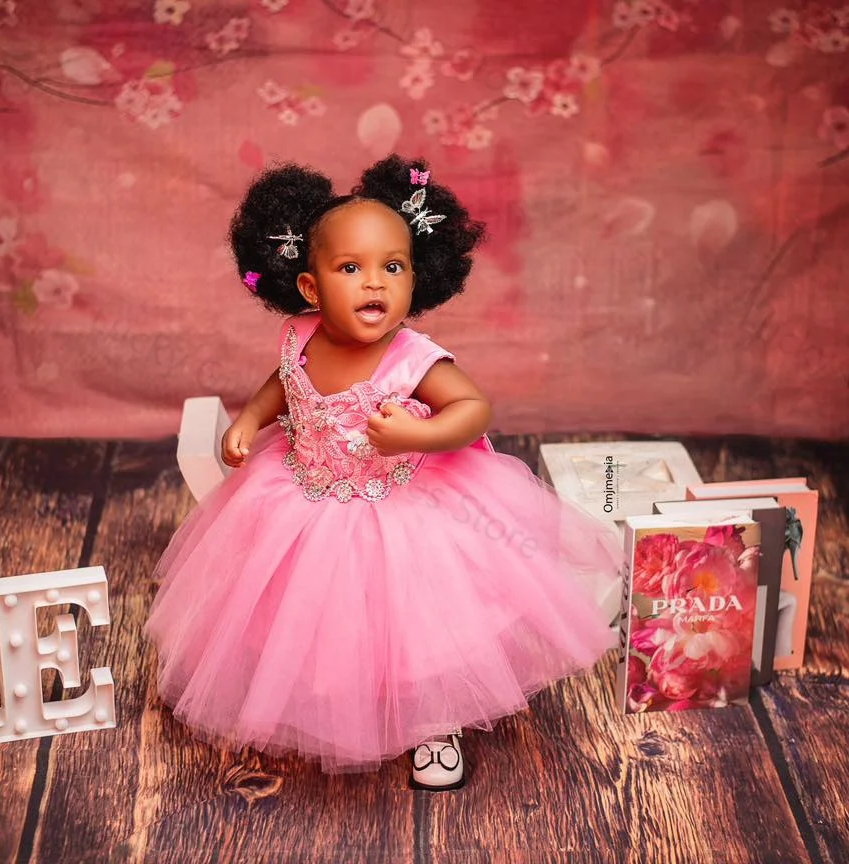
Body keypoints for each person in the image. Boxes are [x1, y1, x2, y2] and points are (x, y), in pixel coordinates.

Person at [144, 154, 622, 791]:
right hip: (305, 498)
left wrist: (419, 433)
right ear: (311, 288)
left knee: (420, 626)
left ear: (415, 275)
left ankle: (434, 720)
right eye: (351, 268)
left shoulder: (412, 355)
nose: (375, 284)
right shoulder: (301, 338)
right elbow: (282, 387)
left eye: (392, 267)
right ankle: (325, 704)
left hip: (405, 505)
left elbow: (472, 407)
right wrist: (250, 419)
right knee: (306, 617)